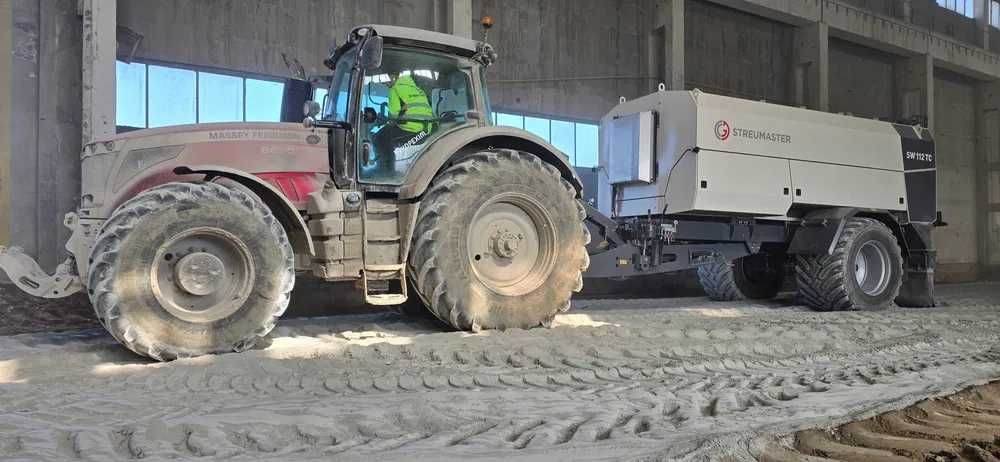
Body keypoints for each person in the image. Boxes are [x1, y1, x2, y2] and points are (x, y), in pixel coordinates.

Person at [371, 71, 435, 179]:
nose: (386, 84)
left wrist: (386, 119)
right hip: (426, 129)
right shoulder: (417, 89)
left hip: (412, 129)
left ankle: (386, 172)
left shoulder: (394, 89)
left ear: (394, 77)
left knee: (379, 138)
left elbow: (393, 116)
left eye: (386, 81)